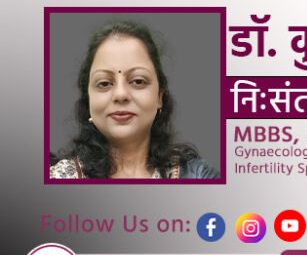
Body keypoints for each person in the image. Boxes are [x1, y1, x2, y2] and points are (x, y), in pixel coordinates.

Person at [50, 21, 218, 180]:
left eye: (138, 81)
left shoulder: (196, 176)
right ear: (88, 100)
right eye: (104, 83)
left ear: (159, 97)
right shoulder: (56, 179)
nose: (121, 94)